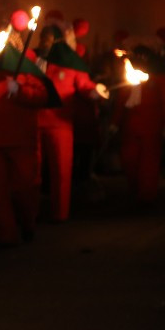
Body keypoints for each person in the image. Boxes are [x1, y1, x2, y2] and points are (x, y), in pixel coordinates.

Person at [0, 17, 57, 246]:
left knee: (25, 186)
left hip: (20, 137)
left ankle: (27, 221)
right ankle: (5, 234)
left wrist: (21, 90)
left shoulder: (26, 67)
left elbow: (43, 96)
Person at [35, 24, 107, 222]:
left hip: (60, 124)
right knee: (32, 170)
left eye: (48, 39)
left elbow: (84, 86)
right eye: (43, 39)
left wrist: (95, 91)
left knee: (61, 170)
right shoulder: (34, 60)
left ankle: (60, 213)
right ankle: (30, 212)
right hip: (33, 122)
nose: (44, 43)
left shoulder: (70, 63)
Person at [110, 42, 165, 203]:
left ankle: (146, 195)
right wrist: (115, 122)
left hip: (151, 126)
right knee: (129, 159)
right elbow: (121, 101)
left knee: (149, 162)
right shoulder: (129, 76)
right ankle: (135, 189)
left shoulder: (159, 77)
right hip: (130, 126)